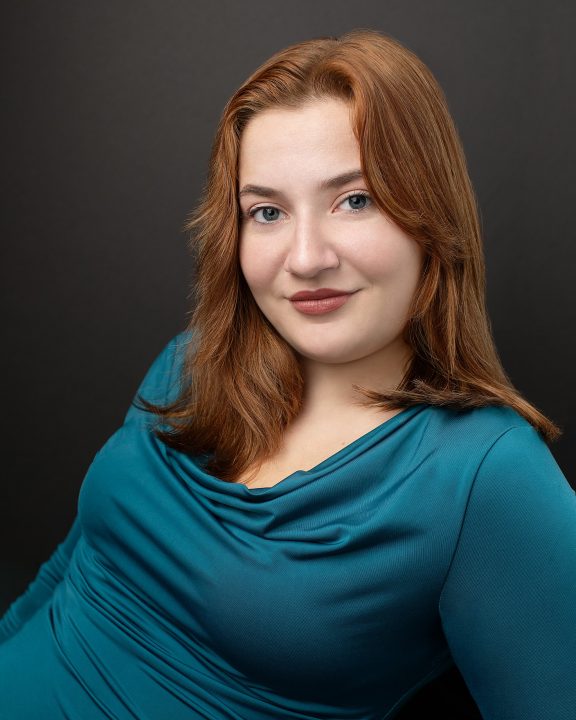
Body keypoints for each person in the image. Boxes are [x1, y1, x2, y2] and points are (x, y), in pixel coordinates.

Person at [1, 27, 574, 720]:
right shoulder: (191, 361)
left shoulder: (488, 476)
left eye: (354, 200)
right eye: (266, 212)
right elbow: (73, 573)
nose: (305, 258)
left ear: (431, 213)